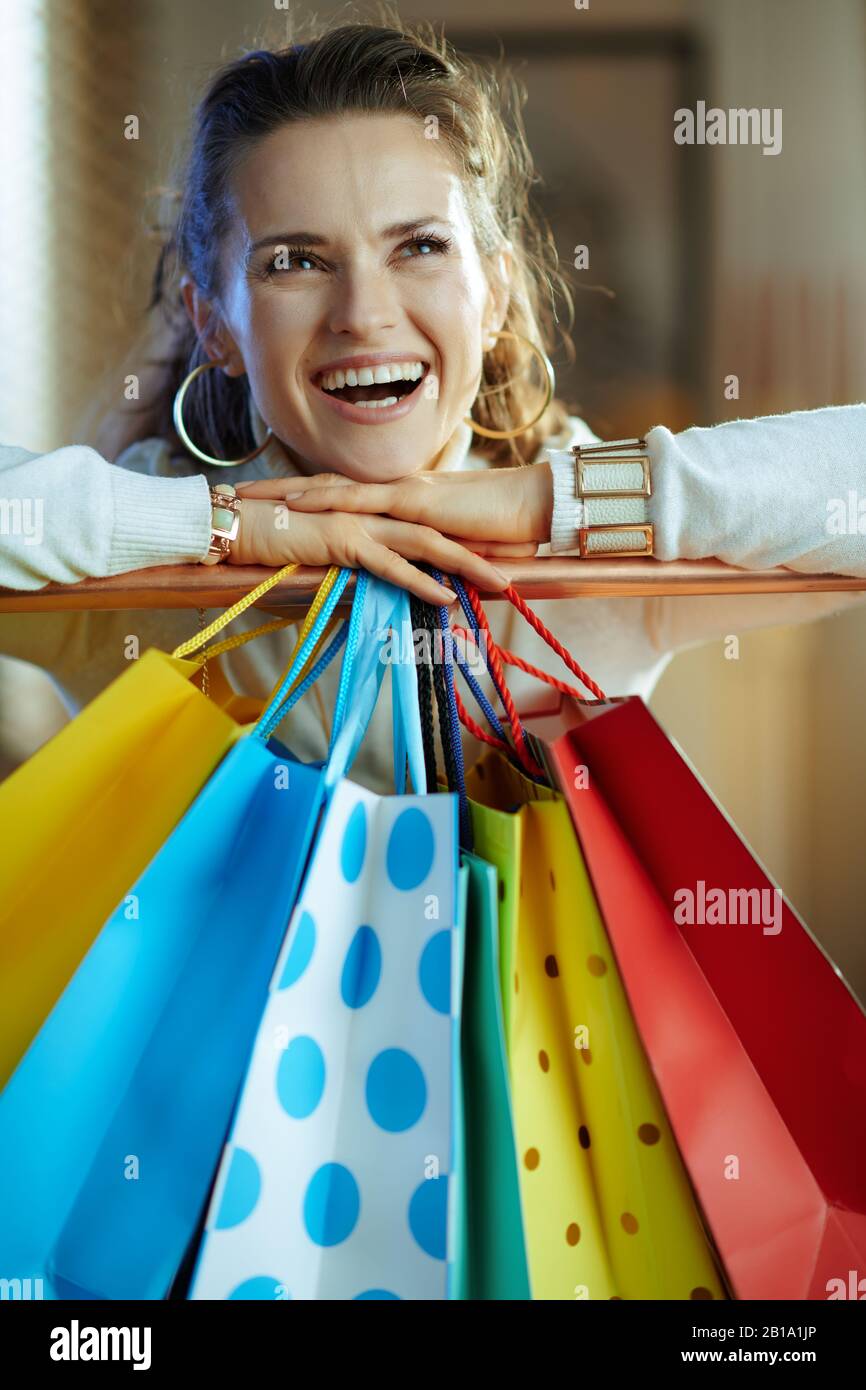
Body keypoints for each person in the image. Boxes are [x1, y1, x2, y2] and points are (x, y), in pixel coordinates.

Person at [1, 21, 865, 794]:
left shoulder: (594, 541)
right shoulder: (135, 561)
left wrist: (542, 502)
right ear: (214, 324)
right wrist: (224, 527)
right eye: (295, 261)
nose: (363, 314)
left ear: (493, 294)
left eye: (418, 246)